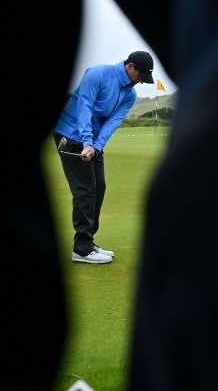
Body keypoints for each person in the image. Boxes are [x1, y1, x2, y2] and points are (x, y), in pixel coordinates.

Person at [52, 51, 155, 264]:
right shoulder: (97, 74)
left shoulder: (129, 95)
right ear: (130, 66)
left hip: (93, 141)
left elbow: (112, 123)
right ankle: (81, 249)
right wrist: (87, 141)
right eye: (140, 76)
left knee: (99, 186)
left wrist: (96, 146)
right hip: (70, 132)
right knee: (85, 189)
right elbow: (84, 107)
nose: (140, 82)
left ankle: (87, 240)